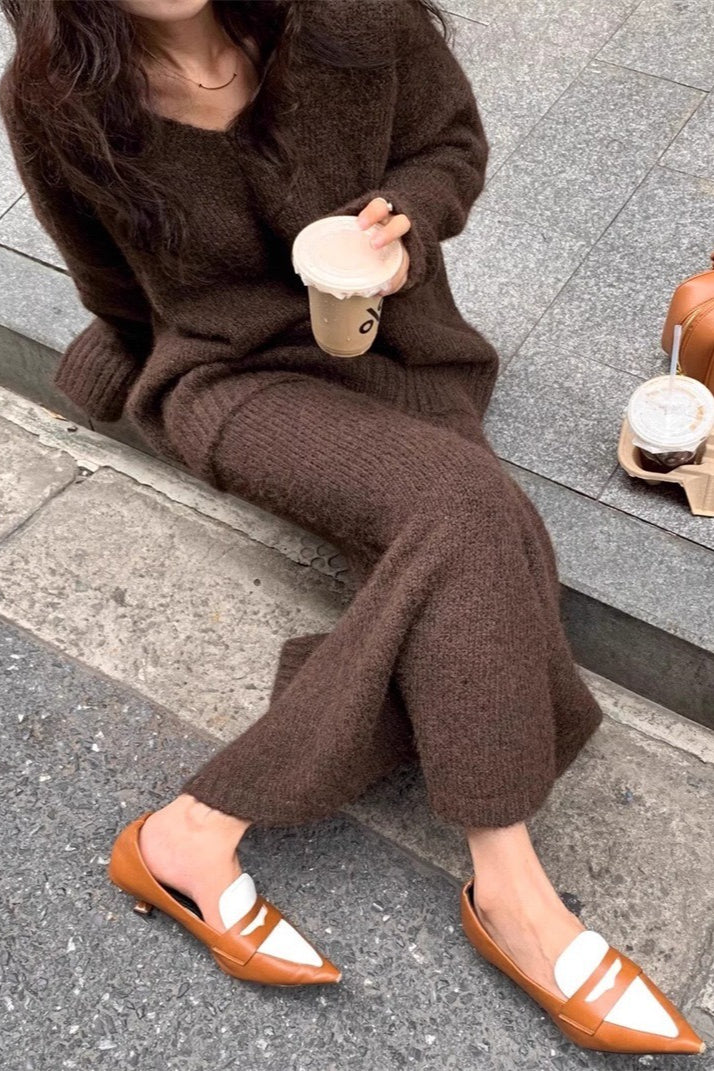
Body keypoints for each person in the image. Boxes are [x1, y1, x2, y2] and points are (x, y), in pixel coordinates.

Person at [0, 0, 704, 1054]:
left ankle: (192, 833)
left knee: (482, 538)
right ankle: (513, 893)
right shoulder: (57, 100)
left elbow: (452, 146)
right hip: (232, 381)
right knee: (472, 511)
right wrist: (134, 369)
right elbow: (113, 288)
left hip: (403, 350)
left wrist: (405, 224)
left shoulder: (350, 17)